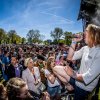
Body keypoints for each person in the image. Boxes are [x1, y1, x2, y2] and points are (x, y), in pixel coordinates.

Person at [53, 24, 100, 100]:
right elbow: (69, 57)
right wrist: (74, 41)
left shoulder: (98, 52)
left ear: (93, 34)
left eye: (86, 31)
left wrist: (72, 73)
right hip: (77, 79)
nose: (84, 33)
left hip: (83, 88)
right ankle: (69, 86)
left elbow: (86, 78)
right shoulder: (85, 48)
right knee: (55, 68)